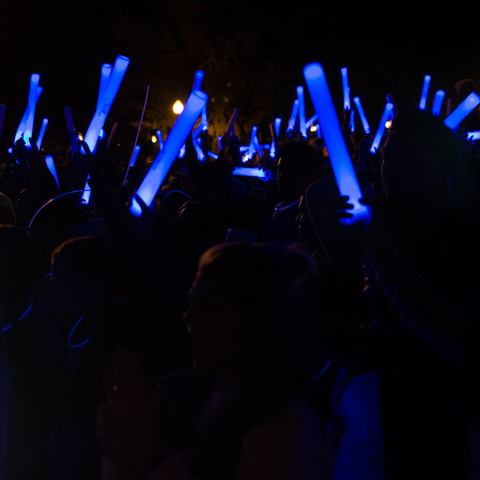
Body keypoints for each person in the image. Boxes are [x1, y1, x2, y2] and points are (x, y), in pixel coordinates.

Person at [96, 242, 333, 480]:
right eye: (192, 302)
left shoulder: (288, 427)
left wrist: (151, 455)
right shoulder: (179, 393)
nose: (188, 316)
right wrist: (121, 448)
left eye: (209, 307)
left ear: (255, 320)